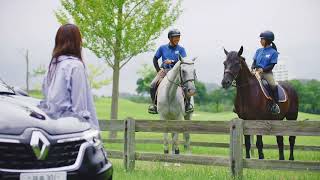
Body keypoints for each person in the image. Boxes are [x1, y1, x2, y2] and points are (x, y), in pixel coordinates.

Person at [39, 23, 99, 129]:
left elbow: (47, 98)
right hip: (72, 130)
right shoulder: (75, 66)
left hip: (52, 128)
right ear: (77, 42)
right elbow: (79, 108)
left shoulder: (52, 66)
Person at [148, 29, 193, 114]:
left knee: (188, 85)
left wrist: (172, 61)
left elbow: (184, 62)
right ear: (170, 38)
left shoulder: (181, 49)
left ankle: (188, 105)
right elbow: (155, 59)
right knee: (152, 84)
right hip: (164, 71)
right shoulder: (162, 48)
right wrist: (158, 70)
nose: (177, 39)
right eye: (175, 37)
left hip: (176, 72)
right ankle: (154, 105)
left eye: (178, 37)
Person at [251, 30, 280, 114]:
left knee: (273, 85)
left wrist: (263, 70)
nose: (260, 41)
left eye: (262, 39)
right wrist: (252, 68)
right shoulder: (258, 51)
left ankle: (275, 105)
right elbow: (254, 62)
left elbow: (272, 65)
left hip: (267, 73)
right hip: (256, 72)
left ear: (267, 40)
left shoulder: (274, 52)